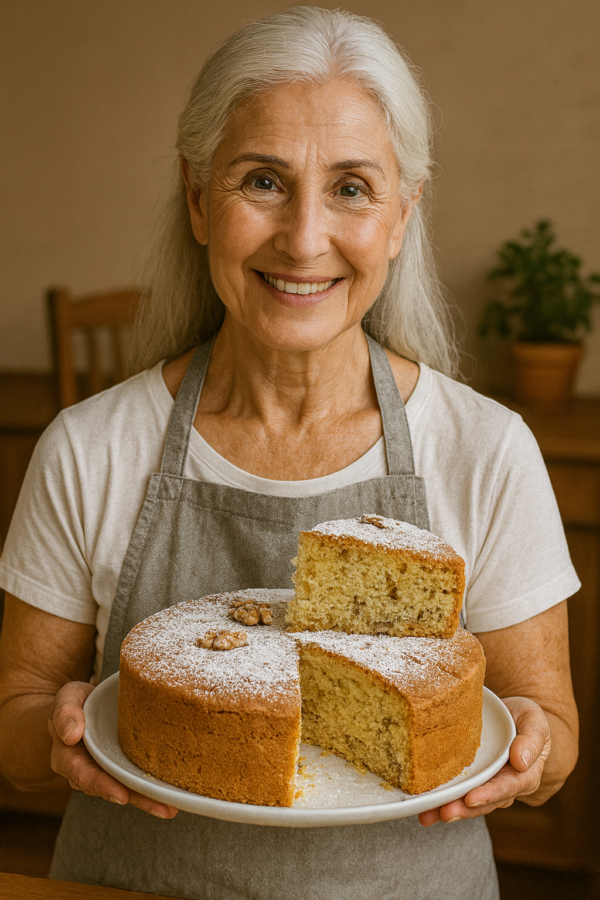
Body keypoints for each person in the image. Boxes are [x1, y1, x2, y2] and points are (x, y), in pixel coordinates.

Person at [0, 7, 579, 899]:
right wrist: (51, 730)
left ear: (401, 214)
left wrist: (534, 751)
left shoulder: (488, 451)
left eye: (352, 188)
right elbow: (17, 720)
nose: (304, 238)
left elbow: (554, 738)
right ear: (198, 199)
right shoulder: (88, 450)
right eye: (262, 181)